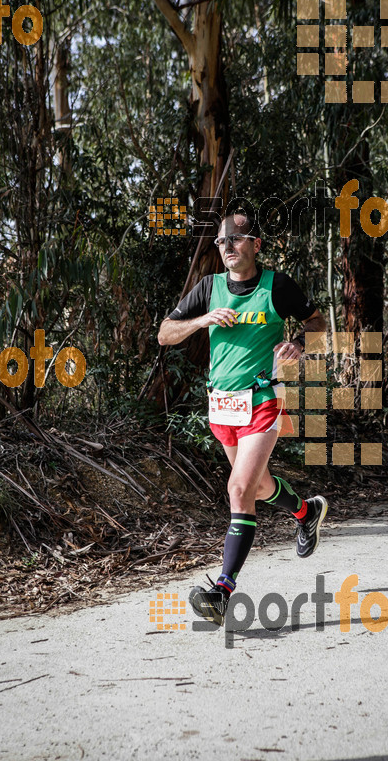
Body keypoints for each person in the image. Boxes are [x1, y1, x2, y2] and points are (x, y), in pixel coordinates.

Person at [158, 214, 328, 626]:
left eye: (235, 239)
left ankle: (222, 592)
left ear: (255, 243)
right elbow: (164, 333)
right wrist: (202, 320)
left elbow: (318, 323)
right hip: (221, 407)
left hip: (263, 400)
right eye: (221, 241)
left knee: (238, 488)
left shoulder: (278, 286)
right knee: (260, 485)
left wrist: (299, 345)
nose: (227, 246)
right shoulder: (209, 288)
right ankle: (305, 513)